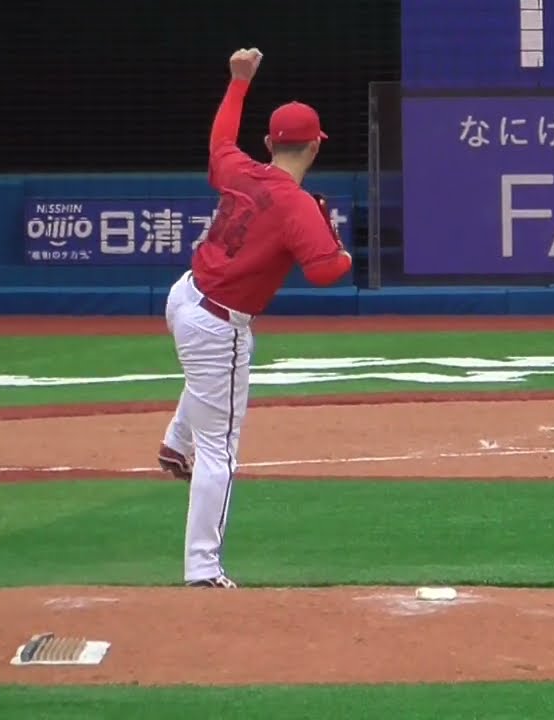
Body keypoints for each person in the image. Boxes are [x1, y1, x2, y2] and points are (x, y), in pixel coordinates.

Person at [155, 48, 354, 588]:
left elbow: (221, 140)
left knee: (207, 383)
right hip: (217, 323)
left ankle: (175, 442)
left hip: (185, 295)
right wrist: (340, 248)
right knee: (219, 450)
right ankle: (202, 568)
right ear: (315, 146)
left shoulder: (241, 169)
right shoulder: (298, 205)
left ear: (269, 143)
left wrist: (239, 82)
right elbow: (325, 271)